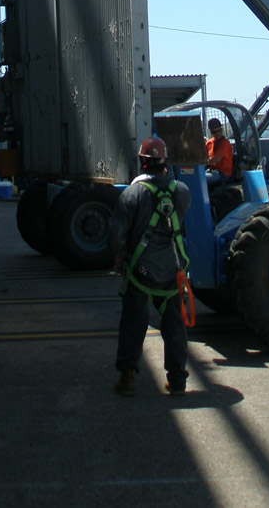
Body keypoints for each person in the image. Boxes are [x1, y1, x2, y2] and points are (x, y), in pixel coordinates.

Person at [109, 137, 192, 397]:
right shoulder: (182, 191)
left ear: (142, 162)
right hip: (172, 271)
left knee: (133, 323)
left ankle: (127, 378)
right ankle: (177, 381)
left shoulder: (132, 194)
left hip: (141, 271)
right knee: (175, 326)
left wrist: (120, 255)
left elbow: (117, 232)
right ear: (165, 161)